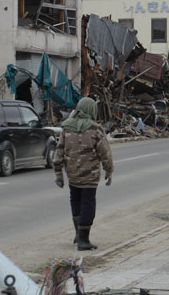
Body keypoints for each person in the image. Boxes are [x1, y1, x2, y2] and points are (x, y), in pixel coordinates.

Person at [53, 97, 113, 251]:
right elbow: (105, 152)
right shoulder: (95, 128)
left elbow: (59, 151)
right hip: (90, 175)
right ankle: (83, 240)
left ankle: (78, 234)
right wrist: (109, 171)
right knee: (88, 203)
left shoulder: (66, 127)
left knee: (76, 201)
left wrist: (58, 173)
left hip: (72, 173)